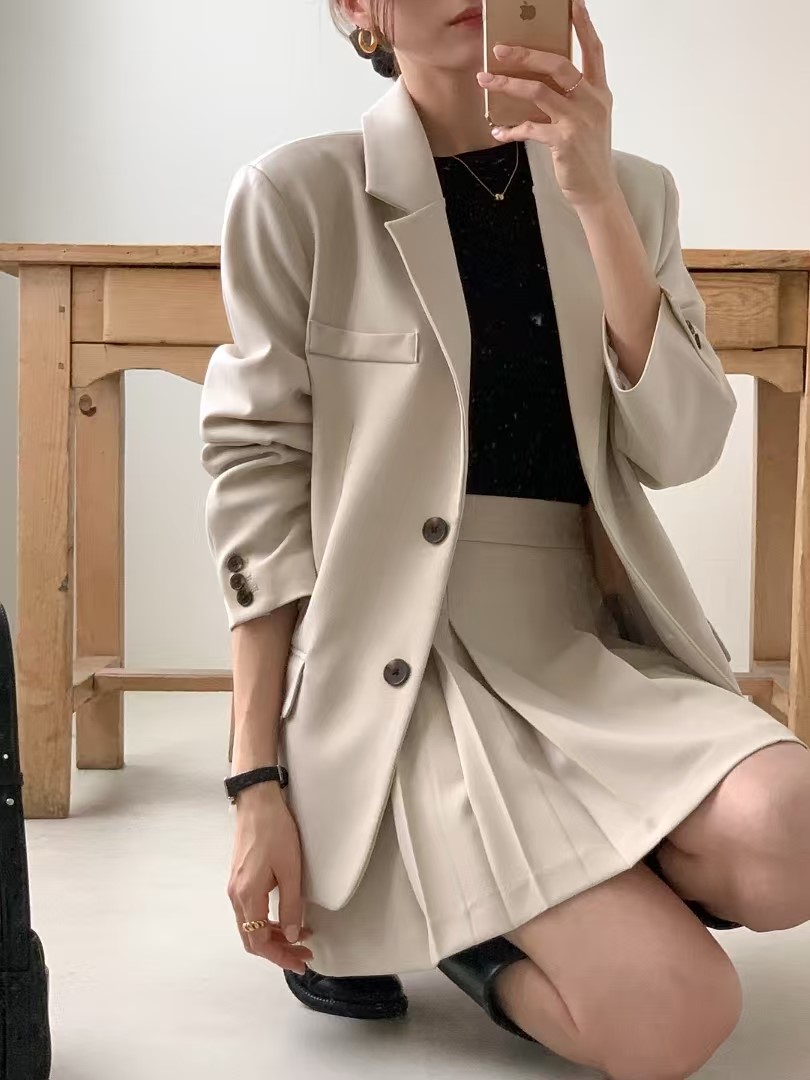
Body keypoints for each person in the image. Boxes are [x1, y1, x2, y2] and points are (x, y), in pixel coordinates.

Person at [200, 1, 810, 1076]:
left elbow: (681, 448)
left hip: (576, 637)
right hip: (395, 664)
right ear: (358, 8)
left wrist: (596, 197)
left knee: (792, 829)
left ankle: (538, 885)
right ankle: (471, 935)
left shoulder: (634, 191)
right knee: (673, 1021)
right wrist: (256, 781)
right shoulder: (298, 194)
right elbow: (260, 481)